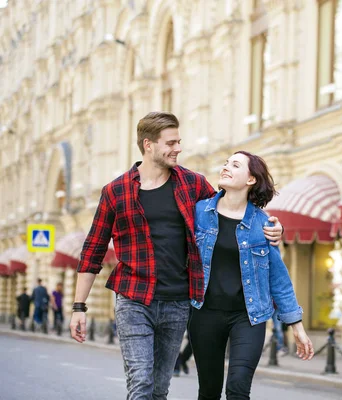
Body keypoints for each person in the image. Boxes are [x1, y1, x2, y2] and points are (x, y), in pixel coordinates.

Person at [69, 112, 283, 400]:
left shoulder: (192, 184)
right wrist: (79, 307)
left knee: (159, 389)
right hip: (134, 299)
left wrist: (272, 226)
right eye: (171, 143)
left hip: (179, 302)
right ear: (149, 145)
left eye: (179, 141)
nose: (178, 148)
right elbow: (93, 250)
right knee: (141, 384)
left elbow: (232, 211)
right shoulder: (116, 191)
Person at [189, 151, 314, 400]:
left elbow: (278, 278)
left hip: (248, 316)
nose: (226, 167)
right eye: (225, 163)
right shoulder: (199, 212)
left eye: (235, 165)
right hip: (205, 314)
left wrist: (296, 325)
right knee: (209, 391)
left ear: (251, 179)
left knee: (238, 388)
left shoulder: (263, 223)